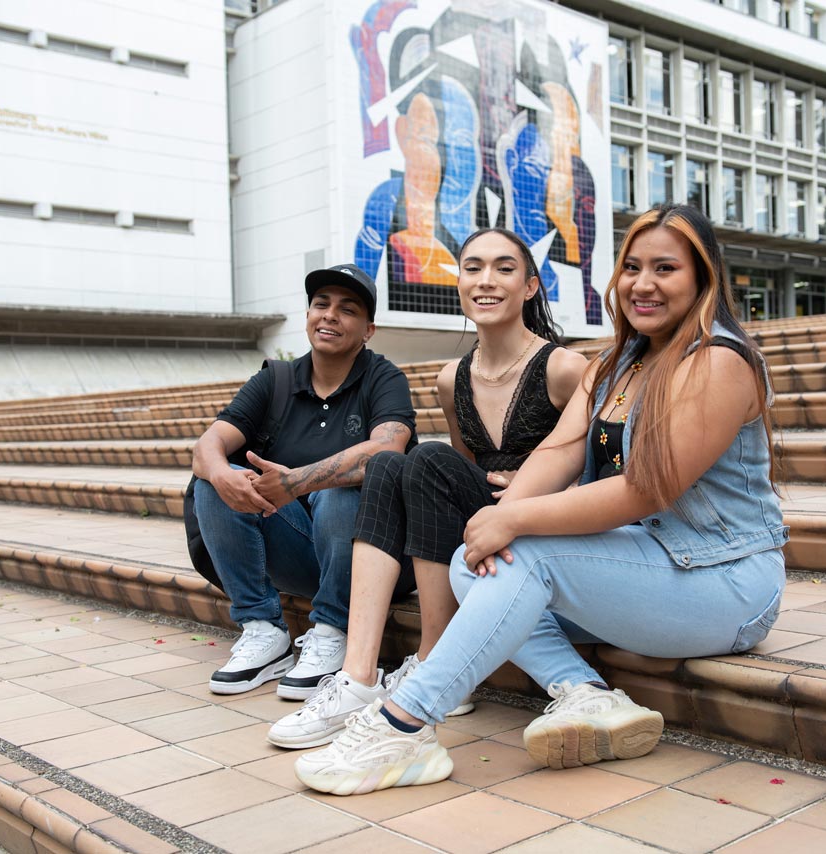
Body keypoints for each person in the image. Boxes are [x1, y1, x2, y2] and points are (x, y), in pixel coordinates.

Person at [293, 204, 789, 795]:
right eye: (632, 267)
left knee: (525, 554)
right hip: (655, 561)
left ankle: (403, 724)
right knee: (468, 564)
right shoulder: (618, 365)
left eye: (666, 268)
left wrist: (518, 519)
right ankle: (588, 695)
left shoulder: (718, 362)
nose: (643, 284)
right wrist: (498, 521)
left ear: (702, 279)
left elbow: (646, 489)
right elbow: (559, 452)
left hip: (727, 579)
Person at [267, 228, 588, 748]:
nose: (486, 280)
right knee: (396, 464)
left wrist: (537, 484)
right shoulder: (450, 378)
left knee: (423, 457)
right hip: (478, 522)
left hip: (538, 523)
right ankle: (358, 673)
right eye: (473, 268)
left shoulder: (564, 367)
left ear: (530, 286)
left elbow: (593, 468)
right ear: (458, 281)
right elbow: (460, 469)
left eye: (504, 269)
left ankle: (436, 659)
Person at [192, 264, 418, 699]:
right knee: (215, 477)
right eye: (321, 305)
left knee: (339, 490)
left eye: (347, 309)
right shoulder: (275, 380)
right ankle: (263, 631)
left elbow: (388, 449)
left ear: (368, 329)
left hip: (373, 557)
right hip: (301, 551)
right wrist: (222, 474)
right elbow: (208, 445)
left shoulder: (383, 379)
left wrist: (296, 482)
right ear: (308, 315)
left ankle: (333, 631)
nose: (330, 315)